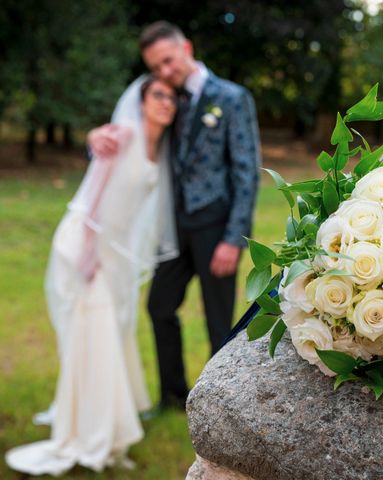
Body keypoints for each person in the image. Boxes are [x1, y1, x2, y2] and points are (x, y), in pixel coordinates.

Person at [5, 77, 179, 475]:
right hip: (86, 244)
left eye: (171, 98)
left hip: (114, 254)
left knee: (110, 334)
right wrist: (87, 250)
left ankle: (109, 421)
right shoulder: (124, 134)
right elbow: (93, 190)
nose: (166, 103)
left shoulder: (159, 146)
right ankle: (92, 430)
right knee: (93, 335)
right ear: (140, 99)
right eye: (158, 95)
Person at [88, 22, 261, 411]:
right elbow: (132, 136)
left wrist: (234, 238)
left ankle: (220, 405)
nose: (164, 72)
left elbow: (246, 172)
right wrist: (94, 139)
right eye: (156, 67)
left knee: (219, 321)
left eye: (167, 60)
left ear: (186, 47)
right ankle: (173, 395)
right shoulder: (165, 98)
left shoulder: (231, 98)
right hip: (172, 227)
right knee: (159, 307)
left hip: (215, 227)